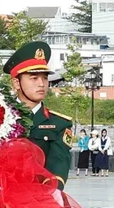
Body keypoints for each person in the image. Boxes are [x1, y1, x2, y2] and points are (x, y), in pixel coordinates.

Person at [5, 43, 74, 192]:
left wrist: (53, 190)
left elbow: (59, 161)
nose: (41, 84)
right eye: (34, 78)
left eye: (44, 78)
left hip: (42, 198)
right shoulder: (0, 118)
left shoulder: (59, 123)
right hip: (3, 197)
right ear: (17, 83)